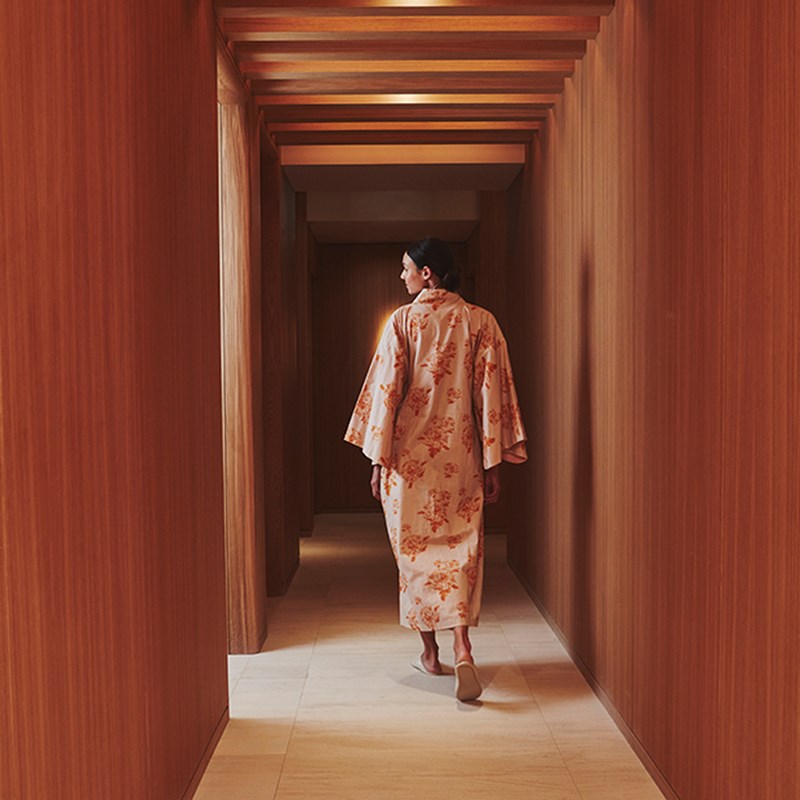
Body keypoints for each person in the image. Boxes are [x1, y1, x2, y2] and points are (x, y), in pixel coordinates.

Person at [344, 237, 527, 701]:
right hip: (460, 456)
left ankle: (430, 654)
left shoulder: (403, 322)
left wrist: (376, 459)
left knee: (415, 558)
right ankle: (462, 644)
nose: (401, 275)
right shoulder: (481, 322)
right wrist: (492, 462)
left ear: (428, 273)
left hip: (408, 462)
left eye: (406, 268)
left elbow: (386, 393)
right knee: (460, 552)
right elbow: (491, 394)